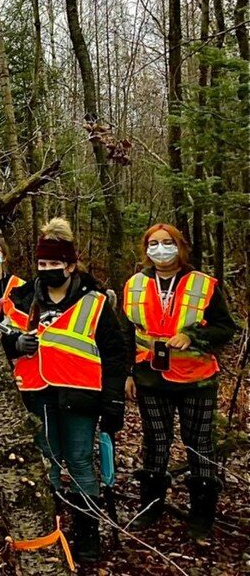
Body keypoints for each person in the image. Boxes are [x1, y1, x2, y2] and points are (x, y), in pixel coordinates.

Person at [0, 218, 129, 564]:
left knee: (82, 463)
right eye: (42, 264)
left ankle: (87, 537)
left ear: (70, 266)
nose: (47, 270)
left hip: (82, 396)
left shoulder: (95, 301)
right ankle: (50, 531)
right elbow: (0, 338)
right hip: (36, 394)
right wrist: (15, 343)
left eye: (54, 264)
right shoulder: (24, 297)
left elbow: (116, 354)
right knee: (48, 465)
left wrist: (114, 399)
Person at [123, 223, 235, 541]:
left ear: (180, 246)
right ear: (146, 249)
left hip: (196, 379)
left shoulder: (203, 284)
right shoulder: (134, 284)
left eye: (167, 242)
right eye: (153, 243)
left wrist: (193, 336)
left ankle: (201, 519)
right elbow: (126, 334)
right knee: (156, 442)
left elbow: (225, 327)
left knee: (199, 445)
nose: (160, 249)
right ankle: (150, 509)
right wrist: (128, 374)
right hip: (150, 377)